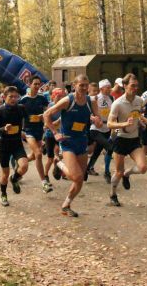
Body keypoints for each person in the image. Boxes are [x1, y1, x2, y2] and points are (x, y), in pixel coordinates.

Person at [44, 74, 102, 217]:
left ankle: (66, 205)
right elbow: (46, 115)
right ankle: (58, 163)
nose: (84, 88)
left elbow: (99, 121)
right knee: (76, 177)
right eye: (81, 85)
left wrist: (97, 121)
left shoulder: (91, 101)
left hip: (81, 140)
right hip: (67, 141)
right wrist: (55, 132)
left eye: (86, 85)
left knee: (80, 179)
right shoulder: (67, 100)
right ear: (74, 85)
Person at [107, 74, 147, 206]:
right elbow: (109, 124)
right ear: (124, 86)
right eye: (132, 85)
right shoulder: (117, 103)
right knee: (117, 172)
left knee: (143, 168)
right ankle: (113, 194)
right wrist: (123, 124)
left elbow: (138, 114)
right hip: (120, 139)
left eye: (137, 86)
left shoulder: (139, 100)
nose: (135, 88)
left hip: (134, 139)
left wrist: (141, 123)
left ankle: (127, 174)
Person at [0, 86, 30, 206]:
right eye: (10, 97)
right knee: (5, 174)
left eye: (15, 96)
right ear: (4, 97)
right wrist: (3, 129)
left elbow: (27, 120)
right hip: (4, 144)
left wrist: (24, 130)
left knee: (24, 166)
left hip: (17, 142)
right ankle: (3, 194)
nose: (13, 99)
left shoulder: (21, 108)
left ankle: (14, 179)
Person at [19, 75, 52, 193]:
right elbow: (19, 116)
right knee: (38, 154)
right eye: (35, 84)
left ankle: (19, 167)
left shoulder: (42, 98)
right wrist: (20, 130)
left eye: (39, 84)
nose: (37, 86)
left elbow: (47, 112)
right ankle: (44, 183)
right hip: (28, 131)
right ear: (29, 84)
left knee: (33, 156)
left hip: (39, 130)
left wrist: (42, 117)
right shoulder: (23, 100)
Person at [86, 79, 115, 179]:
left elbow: (114, 112)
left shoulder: (111, 97)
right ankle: (107, 173)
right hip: (95, 128)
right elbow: (87, 112)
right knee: (110, 147)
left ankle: (88, 168)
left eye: (110, 87)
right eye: (108, 87)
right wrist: (93, 118)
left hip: (107, 128)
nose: (110, 89)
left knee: (97, 151)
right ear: (101, 88)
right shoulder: (94, 98)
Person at [42, 88, 65, 182]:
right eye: (58, 96)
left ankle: (59, 169)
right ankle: (45, 175)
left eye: (62, 96)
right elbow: (46, 125)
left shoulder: (65, 107)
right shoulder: (50, 106)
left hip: (61, 135)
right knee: (50, 158)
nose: (60, 98)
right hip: (50, 135)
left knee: (62, 154)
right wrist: (56, 122)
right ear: (53, 96)